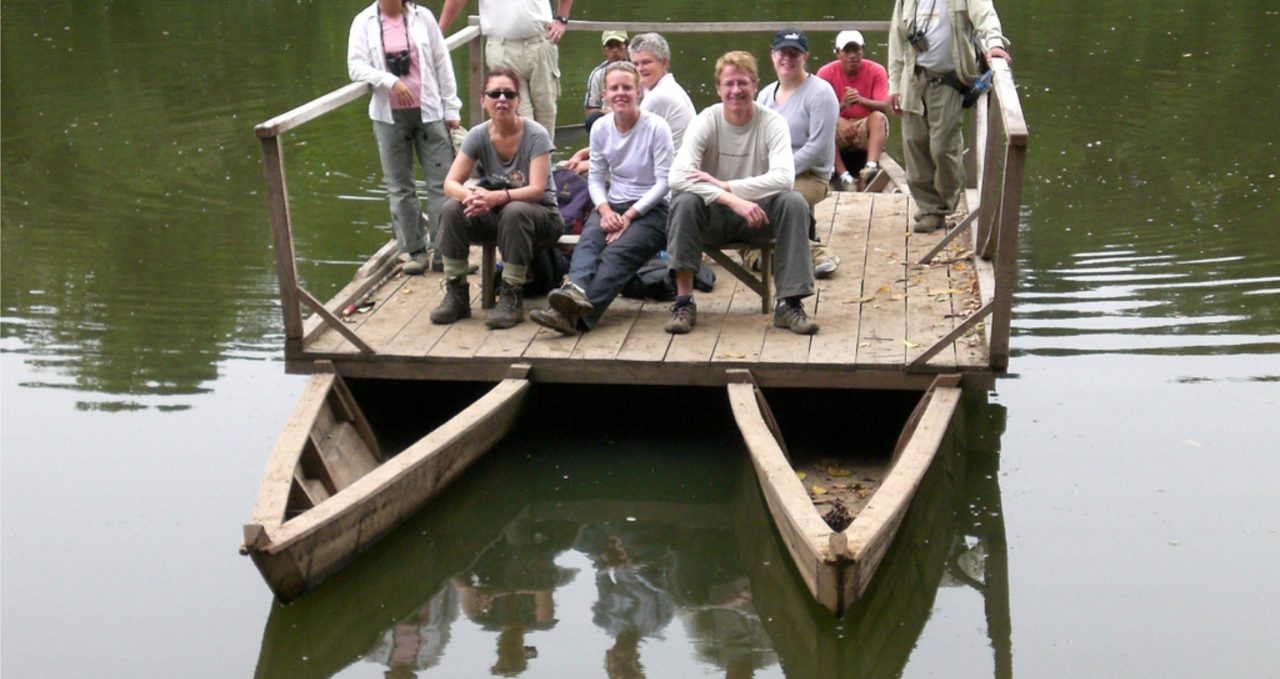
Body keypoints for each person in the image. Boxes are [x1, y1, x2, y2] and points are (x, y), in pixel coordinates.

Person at [665, 51, 819, 336]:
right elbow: (676, 176)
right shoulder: (705, 120)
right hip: (714, 219)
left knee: (794, 201)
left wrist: (729, 185)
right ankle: (684, 302)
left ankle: (789, 303)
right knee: (684, 201)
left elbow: (785, 178)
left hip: (758, 216)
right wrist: (730, 198)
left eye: (743, 83)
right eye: (729, 84)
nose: (736, 90)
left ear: (755, 85)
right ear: (718, 88)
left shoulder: (773, 122)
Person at [530, 62, 674, 335]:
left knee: (616, 255)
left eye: (627, 88)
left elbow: (664, 182)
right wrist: (605, 210)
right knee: (589, 243)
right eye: (614, 88)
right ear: (604, 94)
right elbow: (596, 178)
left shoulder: (657, 127)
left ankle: (572, 316)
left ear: (638, 92)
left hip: (654, 209)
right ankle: (573, 291)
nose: (621, 93)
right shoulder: (601, 129)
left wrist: (629, 217)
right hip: (614, 203)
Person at [430, 68, 564, 329]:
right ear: (484, 100)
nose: (501, 99)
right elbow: (450, 183)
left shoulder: (536, 135)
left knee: (515, 210)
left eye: (508, 93)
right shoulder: (478, 135)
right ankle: (456, 292)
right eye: (494, 93)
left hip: (540, 217)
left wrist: (495, 198)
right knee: (451, 208)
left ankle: (512, 294)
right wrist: (472, 198)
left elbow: (537, 190)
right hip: (497, 214)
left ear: (518, 101)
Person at [348, 0, 461, 275]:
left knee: (442, 183)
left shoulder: (423, 18)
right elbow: (356, 67)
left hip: (430, 111)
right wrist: (390, 81)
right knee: (400, 185)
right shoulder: (364, 22)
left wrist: (451, 107)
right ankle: (415, 251)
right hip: (388, 116)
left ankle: (442, 250)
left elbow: (441, 62)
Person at [888, 0, 1010, 232]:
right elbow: (897, 40)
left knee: (943, 148)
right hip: (912, 81)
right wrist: (893, 85)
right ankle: (929, 208)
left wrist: (995, 44)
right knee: (914, 144)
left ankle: (943, 206)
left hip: (949, 81)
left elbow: (986, 16)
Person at [757, 28, 842, 279]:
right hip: (772, 171)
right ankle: (766, 254)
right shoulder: (764, 95)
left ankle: (819, 254)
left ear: (805, 57)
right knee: (740, 204)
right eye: (783, 52)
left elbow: (817, 148)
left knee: (769, 203)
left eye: (795, 53)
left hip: (810, 177)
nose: (788, 59)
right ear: (773, 55)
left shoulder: (821, 93)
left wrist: (777, 172)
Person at [439, 0, 573, 144]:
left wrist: (562, 18)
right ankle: (527, 164)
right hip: (502, 47)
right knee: (519, 119)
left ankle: (542, 164)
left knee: (546, 113)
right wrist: (438, 34)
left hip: (542, 41)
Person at [561, 31, 693, 175]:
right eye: (636, 63)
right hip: (660, 164)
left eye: (646, 62)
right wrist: (583, 153)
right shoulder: (663, 86)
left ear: (664, 62)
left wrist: (589, 163)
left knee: (575, 170)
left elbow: (629, 148)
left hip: (668, 173)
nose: (640, 69)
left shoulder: (658, 96)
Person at [816, 29, 890, 191]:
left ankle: (870, 168)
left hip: (865, 126)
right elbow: (818, 112)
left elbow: (885, 105)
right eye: (847, 51)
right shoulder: (825, 73)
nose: (852, 55)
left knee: (878, 117)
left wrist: (860, 100)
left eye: (856, 49)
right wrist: (840, 111)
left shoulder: (877, 71)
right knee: (823, 126)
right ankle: (844, 177)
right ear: (837, 53)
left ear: (862, 51)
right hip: (839, 128)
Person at [583, 31, 629, 131]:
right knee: (592, 120)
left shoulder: (638, 69)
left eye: (618, 45)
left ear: (626, 47)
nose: (615, 50)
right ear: (604, 50)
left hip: (635, 114)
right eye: (610, 46)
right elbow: (590, 110)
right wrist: (608, 113)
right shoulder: (597, 74)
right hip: (609, 118)